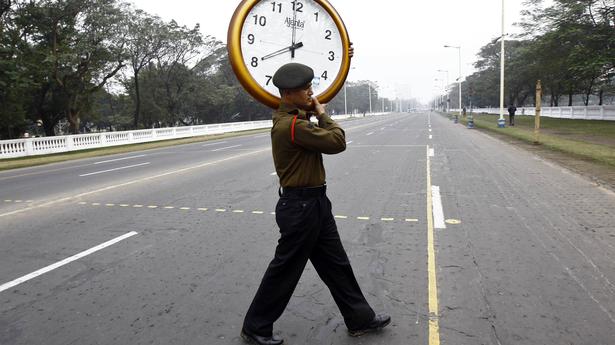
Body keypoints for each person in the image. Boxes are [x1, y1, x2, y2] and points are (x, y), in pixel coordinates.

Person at [240, 62, 391, 345]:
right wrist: (322, 113)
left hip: (315, 203)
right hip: (301, 208)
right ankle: (255, 327)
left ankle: (360, 318)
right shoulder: (293, 127)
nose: (311, 92)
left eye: (310, 87)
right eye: (305, 89)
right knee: (285, 270)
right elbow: (337, 141)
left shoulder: (293, 118)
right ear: (287, 93)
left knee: (336, 264)